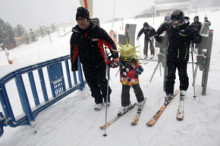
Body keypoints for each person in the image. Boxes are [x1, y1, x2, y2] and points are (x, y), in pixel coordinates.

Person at [70, 7, 118, 111]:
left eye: (82, 18)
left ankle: (106, 97)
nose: (80, 21)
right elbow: (73, 51)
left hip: (100, 63)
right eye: (78, 19)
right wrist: (73, 65)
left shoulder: (98, 31)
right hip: (86, 65)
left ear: (87, 19)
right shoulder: (75, 35)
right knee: (92, 84)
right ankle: (98, 101)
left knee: (102, 82)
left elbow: (110, 43)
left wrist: (115, 56)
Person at [154, 9, 201, 104]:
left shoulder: (188, 28)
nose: (174, 23)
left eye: (176, 21)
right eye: (172, 21)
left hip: (183, 57)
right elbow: (160, 28)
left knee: (182, 75)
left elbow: (198, 38)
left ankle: (183, 90)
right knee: (170, 75)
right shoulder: (169, 25)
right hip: (171, 56)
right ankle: (169, 92)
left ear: (181, 20)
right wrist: (156, 35)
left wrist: (195, 37)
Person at [108, 42, 145, 115]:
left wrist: (134, 72)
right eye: (124, 57)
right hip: (124, 79)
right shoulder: (120, 59)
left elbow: (140, 69)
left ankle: (141, 100)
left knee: (137, 89)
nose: (125, 59)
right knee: (124, 92)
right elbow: (114, 64)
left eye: (127, 58)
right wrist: (109, 62)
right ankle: (125, 105)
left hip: (133, 79)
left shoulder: (134, 61)